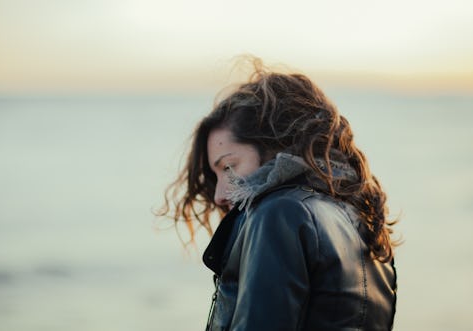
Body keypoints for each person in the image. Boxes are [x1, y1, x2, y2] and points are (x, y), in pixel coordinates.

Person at [160, 59, 398, 330]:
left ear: (278, 147)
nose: (218, 195)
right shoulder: (360, 219)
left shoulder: (279, 214)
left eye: (229, 167)